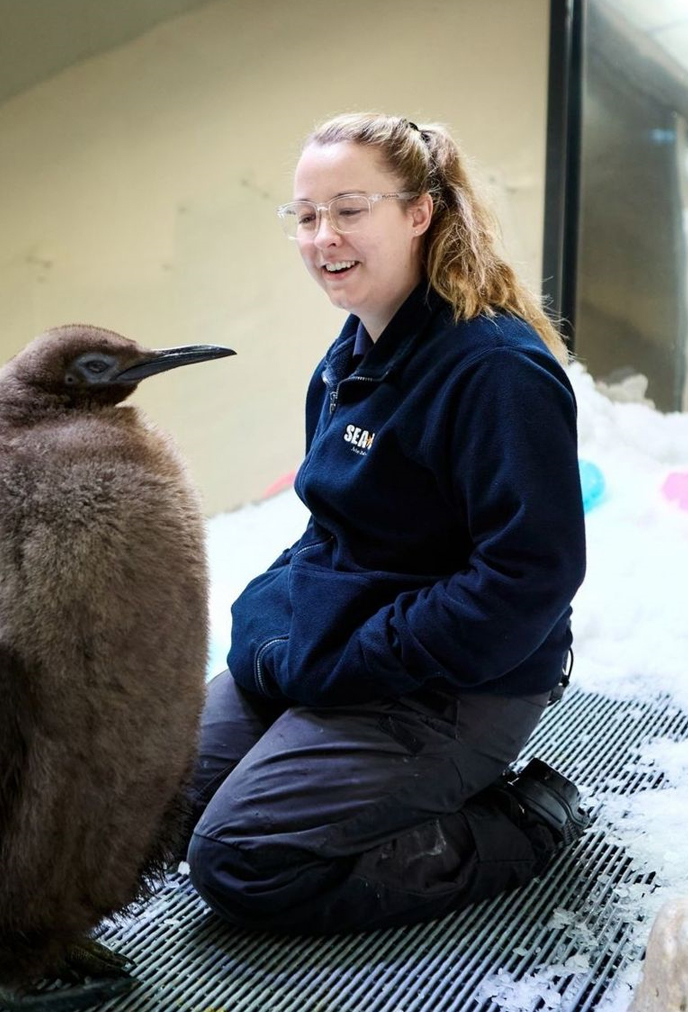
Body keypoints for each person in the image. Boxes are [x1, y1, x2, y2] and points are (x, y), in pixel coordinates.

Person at [183, 112, 588, 934]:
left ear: (419, 213)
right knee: (148, 795)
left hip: (463, 680)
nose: (322, 235)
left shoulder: (496, 372)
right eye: (305, 215)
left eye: (349, 209)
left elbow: (526, 579)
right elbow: (328, 531)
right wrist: (271, 625)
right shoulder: (349, 358)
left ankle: (519, 823)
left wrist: (354, 660)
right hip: (353, 652)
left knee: (242, 858)